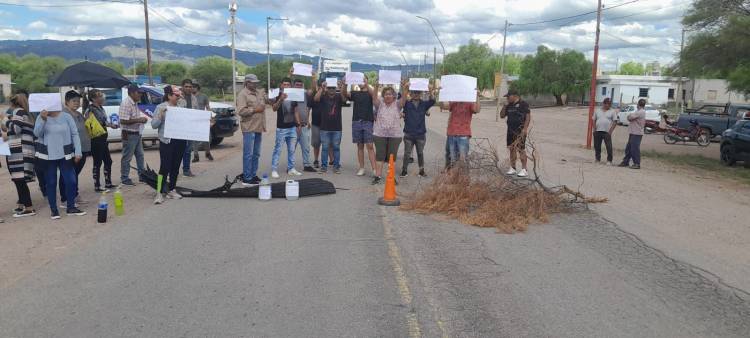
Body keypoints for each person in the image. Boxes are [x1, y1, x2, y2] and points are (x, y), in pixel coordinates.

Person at [33, 103, 86, 219]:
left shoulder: (66, 116)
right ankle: (54, 210)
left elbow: (75, 134)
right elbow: (37, 134)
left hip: (65, 154)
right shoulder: (41, 117)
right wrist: (43, 119)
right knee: (51, 183)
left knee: (71, 181)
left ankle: (71, 207)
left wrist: (78, 151)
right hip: (48, 155)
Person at [151, 85, 188, 204]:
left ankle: (172, 189)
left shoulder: (181, 106)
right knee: (164, 167)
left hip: (180, 141)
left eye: (179, 95)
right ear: (169, 96)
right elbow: (154, 125)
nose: (179, 97)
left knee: (175, 167)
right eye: (176, 95)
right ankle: (159, 192)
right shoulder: (161, 107)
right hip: (167, 141)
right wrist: (161, 115)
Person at [3, 94, 36, 217]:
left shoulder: (18, 112)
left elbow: (16, 129)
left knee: (19, 179)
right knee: (19, 179)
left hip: (20, 151)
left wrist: (6, 120)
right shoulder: (24, 113)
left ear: (12, 104)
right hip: (24, 150)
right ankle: (24, 204)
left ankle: (29, 208)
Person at [371, 81, 407, 184]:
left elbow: (404, 99)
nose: (388, 96)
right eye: (386, 94)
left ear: (394, 96)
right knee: (380, 156)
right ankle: (377, 176)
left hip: (395, 135)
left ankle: (391, 176)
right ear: (383, 95)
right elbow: (374, 98)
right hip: (380, 135)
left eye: (390, 94)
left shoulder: (398, 104)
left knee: (392, 157)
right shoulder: (380, 104)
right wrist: (376, 86)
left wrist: (404, 88)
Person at [59, 90, 90, 204]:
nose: (77, 103)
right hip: (71, 149)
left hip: (83, 148)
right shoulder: (64, 114)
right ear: (67, 102)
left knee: (75, 173)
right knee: (67, 174)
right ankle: (65, 197)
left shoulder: (79, 114)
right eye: (74, 101)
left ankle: (74, 194)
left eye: (78, 101)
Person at [401, 82, 436, 178]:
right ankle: (404, 171)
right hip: (408, 133)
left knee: (420, 153)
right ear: (410, 93)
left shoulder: (424, 104)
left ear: (420, 94)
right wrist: (405, 89)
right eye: (414, 92)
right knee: (407, 153)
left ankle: (421, 171)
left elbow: (433, 101)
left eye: (418, 92)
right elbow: (401, 102)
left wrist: (430, 91)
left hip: (420, 134)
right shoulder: (406, 104)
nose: (416, 94)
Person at [237, 74, 267, 186]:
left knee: (256, 153)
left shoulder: (259, 92)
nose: (255, 84)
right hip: (249, 128)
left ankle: (253, 174)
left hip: (258, 127)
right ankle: (247, 177)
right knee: (248, 154)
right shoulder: (242, 94)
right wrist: (254, 109)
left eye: (256, 82)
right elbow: (241, 111)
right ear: (247, 82)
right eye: (253, 82)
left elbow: (268, 101)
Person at [311, 79, 346, 174]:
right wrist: (322, 89)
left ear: (335, 89)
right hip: (324, 128)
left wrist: (341, 88)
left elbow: (344, 99)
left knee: (336, 148)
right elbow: (315, 99)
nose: (331, 90)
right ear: (327, 88)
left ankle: (336, 167)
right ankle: (324, 167)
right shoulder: (323, 96)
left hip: (337, 128)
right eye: (329, 88)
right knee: (325, 148)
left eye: (333, 88)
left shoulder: (339, 96)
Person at [345, 75, 377, 177]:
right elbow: (345, 94)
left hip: (368, 121)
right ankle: (362, 168)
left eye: (364, 79)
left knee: (370, 146)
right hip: (357, 121)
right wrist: (345, 84)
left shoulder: (370, 92)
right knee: (360, 146)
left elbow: (374, 96)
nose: (362, 81)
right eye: (360, 80)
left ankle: (374, 169)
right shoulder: (355, 93)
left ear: (367, 80)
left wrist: (367, 84)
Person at [270, 78, 302, 178]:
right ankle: (274, 169)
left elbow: (296, 111)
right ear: (281, 85)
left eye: (288, 84)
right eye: (284, 84)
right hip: (281, 128)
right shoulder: (277, 94)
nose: (286, 86)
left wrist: (298, 123)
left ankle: (291, 168)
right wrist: (281, 99)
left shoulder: (293, 95)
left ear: (290, 86)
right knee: (278, 149)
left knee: (292, 150)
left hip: (292, 127)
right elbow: (274, 108)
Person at [441, 90, 481, 169]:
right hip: (452, 134)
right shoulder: (454, 101)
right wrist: (442, 94)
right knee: (453, 159)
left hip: (463, 135)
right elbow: (443, 106)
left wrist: (477, 96)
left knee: (463, 160)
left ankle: (463, 179)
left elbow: (477, 110)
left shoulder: (470, 102)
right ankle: (453, 177)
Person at [86, 89, 116, 192]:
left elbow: (103, 122)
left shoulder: (100, 107)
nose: (102, 97)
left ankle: (108, 182)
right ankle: (97, 185)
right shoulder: (90, 110)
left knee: (108, 161)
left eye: (101, 95)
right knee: (97, 162)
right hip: (96, 139)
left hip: (103, 138)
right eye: (99, 96)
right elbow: (90, 123)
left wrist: (111, 125)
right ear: (93, 98)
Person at [119, 83, 147, 186]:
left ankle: (142, 175)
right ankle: (125, 178)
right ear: (131, 93)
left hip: (136, 132)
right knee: (127, 157)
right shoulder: (126, 103)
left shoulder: (134, 102)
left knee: (140, 155)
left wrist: (140, 121)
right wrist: (138, 120)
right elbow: (122, 121)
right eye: (138, 92)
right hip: (129, 134)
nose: (140, 94)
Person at [499, 89, 530, 177]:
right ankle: (513, 168)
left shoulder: (523, 104)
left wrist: (525, 129)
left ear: (515, 96)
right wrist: (504, 106)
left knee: (521, 149)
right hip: (510, 131)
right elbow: (501, 116)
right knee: (511, 149)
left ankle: (524, 169)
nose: (507, 98)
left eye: (508, 97)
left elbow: (528, 117)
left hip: (520, 131)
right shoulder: (508, 105)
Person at [292, 78, 316, 172]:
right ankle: (290, 166)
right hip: (293, 127)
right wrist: (290, 74)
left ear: (303, 86)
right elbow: (284, 87)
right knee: (292, 148)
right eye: (297, 85)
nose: (299, 86)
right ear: (293, 86)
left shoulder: (305, 94)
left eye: (300, 85)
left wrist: (313, 78)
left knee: (306, 147)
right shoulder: (290, 94)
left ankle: (306, 165)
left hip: (304, 125)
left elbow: (313, 89)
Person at [619, 98, 646, 169]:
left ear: (638, 104)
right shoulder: (639, 111)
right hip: (633, 132)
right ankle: (626, 161)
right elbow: (630, 117)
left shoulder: (640, 112)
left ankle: (637, 163)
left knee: (634, 148)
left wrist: (630, 115)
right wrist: (630, 116)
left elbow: (629, 118)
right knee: (629, 148)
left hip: (637, 133)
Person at [179, 79, 198, 177]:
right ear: (182, 87)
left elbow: (197, 112)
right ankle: (173, 170)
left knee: (188, 149)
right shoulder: (178, 97)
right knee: (178, 150)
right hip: (179, 128)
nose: (188, 88)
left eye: (190, 87)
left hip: (190, 128)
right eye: (186, 86)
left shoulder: (194, 98)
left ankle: (186, 170)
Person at [191, 83, 213, 162]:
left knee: (206, 137)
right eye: (191, 87)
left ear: (197, 88)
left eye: (194, 87)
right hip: (193, 119)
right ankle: (196, 155)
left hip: (203, 119)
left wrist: (211, 117)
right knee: (194, 138)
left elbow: (207, 107)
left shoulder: (204, 96)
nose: (192, 89)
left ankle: (207, 152)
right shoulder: (189, 97)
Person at [592, 97, 617, 165]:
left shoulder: (612, 111)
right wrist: (594, 129)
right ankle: (597, 159)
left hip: (607, 132)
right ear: (603, 103)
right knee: (597, 146)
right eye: (607, 104)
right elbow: (593, 120)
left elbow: (615, 121)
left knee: (609, 147)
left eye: (609, 104)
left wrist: (610, 131)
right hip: (598, 131)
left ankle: (609, 160)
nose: (608, 105)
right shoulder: (597, 110)